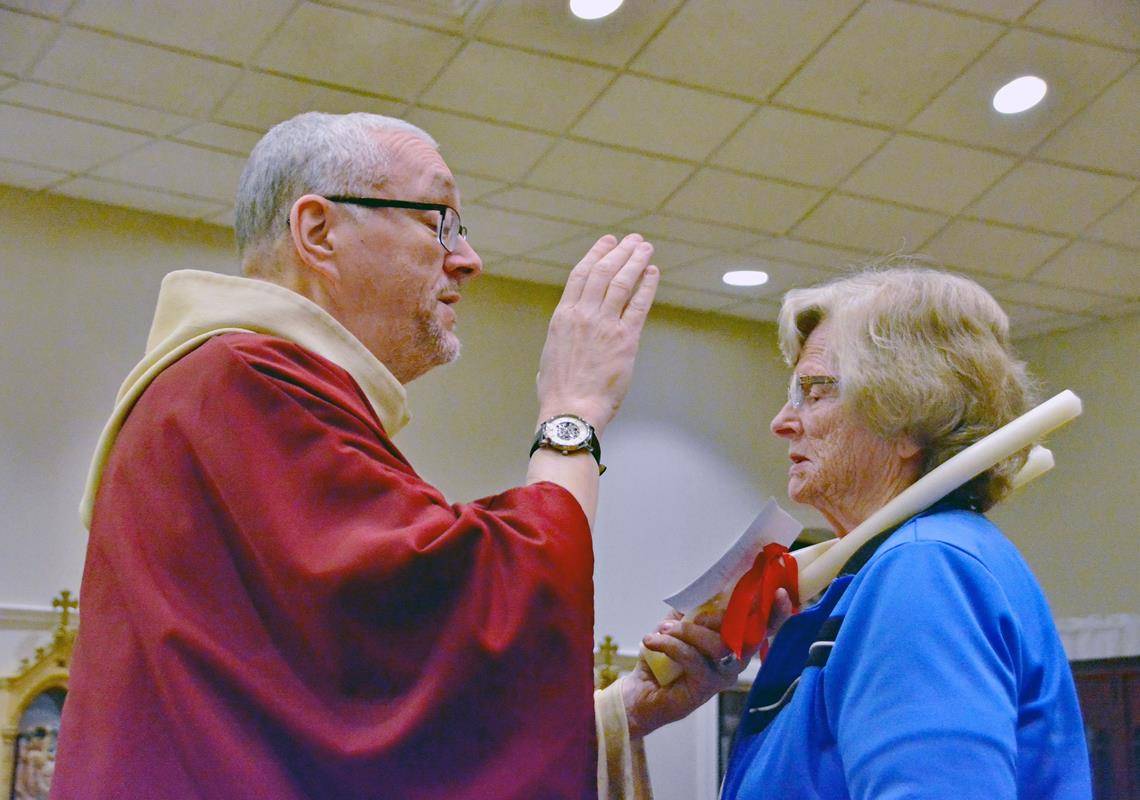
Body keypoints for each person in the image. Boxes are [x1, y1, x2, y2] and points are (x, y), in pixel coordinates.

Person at [50, 112, 741, 800]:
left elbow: (353, 726)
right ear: (318, 232)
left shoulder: (236, 391)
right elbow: (469, 612)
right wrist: (574, 411)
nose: (467, 259)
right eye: (440, 220)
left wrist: (624, 713)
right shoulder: (240, 383)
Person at [718, 267, 1092, 799]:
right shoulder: (894, 569)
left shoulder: (925, 568)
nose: (783, 420)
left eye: (814, 392)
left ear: (906, 417)